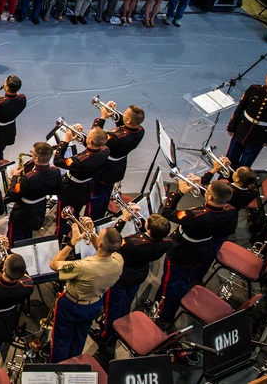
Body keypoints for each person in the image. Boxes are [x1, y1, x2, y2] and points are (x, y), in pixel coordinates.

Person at [154, 179, 236, 322]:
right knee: (184, 280)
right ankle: (172, 307)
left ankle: (162, 314)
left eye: (207, 190)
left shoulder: (195, 216)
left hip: (181, 251)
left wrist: (180, 192)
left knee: (169, 283)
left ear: (209, 197)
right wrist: (201, 185)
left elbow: (165, 212)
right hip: (201, 250)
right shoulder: (230, 210)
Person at [47, 220, 124, 363]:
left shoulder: (83, 266)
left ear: (100, 244)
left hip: (71, 306)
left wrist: (73, 242)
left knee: (61, 340)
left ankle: (57, 367)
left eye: (98, 235)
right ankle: (73, 362)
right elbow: (103, 250)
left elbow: (54, 264)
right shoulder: (118, 260)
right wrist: (91, 231)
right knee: (79, 338)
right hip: (94, 304)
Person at [97, 208, 171, 346]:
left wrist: (124, 218)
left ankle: (106, 335)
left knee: (112, 305)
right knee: (126, 302)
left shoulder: (133, 243)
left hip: (122, 276)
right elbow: (149, 233)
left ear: (148, 229)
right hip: (139, 274)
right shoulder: (166, 242)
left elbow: (112, 240)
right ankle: (120, 325)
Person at [87, 102, 146, 219]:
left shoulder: (115, 139)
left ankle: (93, 219)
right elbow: (124, 127)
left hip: (105, 170)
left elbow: (94, 137)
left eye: (125, 114)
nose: (121, 114)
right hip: (118, 166)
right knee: (105, 193)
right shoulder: (140, 130)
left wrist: (102, 117)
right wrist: (113, 113)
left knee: (96, 197)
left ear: (129, 120)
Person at [54, 126, 111, 243]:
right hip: (86, 188)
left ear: (90, 141)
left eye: (88, 136)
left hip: (70, 191)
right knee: (77, 212)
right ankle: (73, 232)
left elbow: (57, 160)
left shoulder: (79, 161)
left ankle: (59, 240)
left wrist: (66, 140)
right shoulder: (105, 150)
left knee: (62, 220)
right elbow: (92, 148)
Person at [6, 142, 64, 245]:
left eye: (32, 153)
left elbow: (12, 195)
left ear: (36, 159)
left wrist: (14, 177)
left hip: (22, 214)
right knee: (28, 237)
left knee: (13, 241)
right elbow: (58, 190)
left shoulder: (28, 178)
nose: (31, 154)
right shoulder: (56, 172)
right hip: (38, 209)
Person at [226, 72, 267, 167]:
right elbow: (240, 108)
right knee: (230, 159)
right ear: (266, 78)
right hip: (242, 129)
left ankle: (240, 181)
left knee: (246, 164)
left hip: (260, 135)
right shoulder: (254, 89)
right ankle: (224, 180)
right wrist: (232, 126)